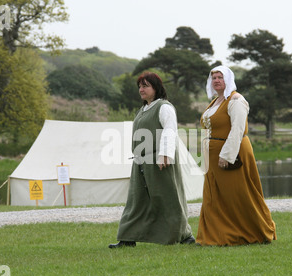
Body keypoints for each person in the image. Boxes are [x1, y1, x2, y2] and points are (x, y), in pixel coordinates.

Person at [109, 72, 195, 248]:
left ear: (156, 88)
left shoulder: (164, 107)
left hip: (160, 160)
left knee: (168, 198)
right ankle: (127, 238)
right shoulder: (143, 110)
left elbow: (170, 131)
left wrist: (165, 155)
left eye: (145, 86)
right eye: (140, 86)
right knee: (136, 200)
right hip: (141, 162)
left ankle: (184, 235)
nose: (141, 89)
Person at [196, 66, 276, 246]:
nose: (216, 80)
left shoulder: (236, 100)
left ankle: (253, 232)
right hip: (213, 156)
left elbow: (238, 129)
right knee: (215, 196)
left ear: (228, 80)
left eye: (220, 77)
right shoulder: (215, 102)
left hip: (232, 154)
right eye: (214, 77)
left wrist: (227, 155)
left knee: (238, 194)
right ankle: (215, 235)